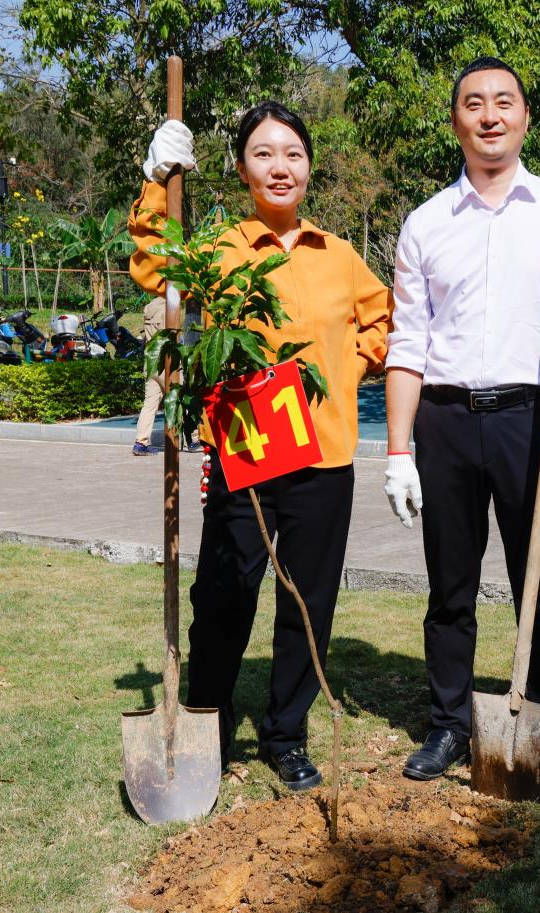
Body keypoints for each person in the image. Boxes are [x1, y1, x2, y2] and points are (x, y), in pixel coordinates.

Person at [129, 101, 392, 790]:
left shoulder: (340, 255)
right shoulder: (219, 250)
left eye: (293, 154)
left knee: (308, 599)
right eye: (264, 154)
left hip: (324, 455)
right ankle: (207, 723)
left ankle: (286, 734)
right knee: (224, 591)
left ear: (309, 167)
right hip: (245, 448)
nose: (281, 167)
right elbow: (155, 271)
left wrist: (347, 367)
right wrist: (157, 181)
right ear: (243, 169)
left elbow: (384, 319)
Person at [381, 56, 540, 800]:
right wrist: (398, 451)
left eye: (504, 101)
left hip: (531, 417)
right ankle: (450, 722)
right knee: (449, 586)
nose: (490, 115)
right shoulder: (425, 222)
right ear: (455, 120)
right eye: (474, 103)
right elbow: (406, 344)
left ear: (524, 117)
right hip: (447, 420)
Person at [132, 294, 166, 456]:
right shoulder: (169, 308)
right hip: (166, 362)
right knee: (182, 395)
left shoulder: (149, 307)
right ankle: (195, 437)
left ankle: (140, 442)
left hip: (150, 361)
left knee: (150, 404)